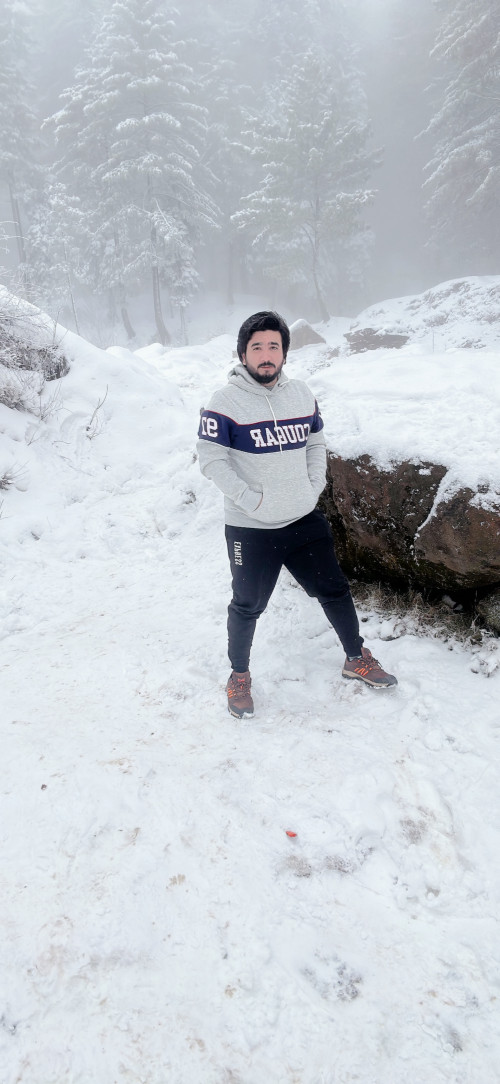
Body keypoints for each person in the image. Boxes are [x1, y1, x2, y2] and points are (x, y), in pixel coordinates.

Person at [197, 311, 397, 718]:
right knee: (247, 604)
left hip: (303, 520)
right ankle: (239, 675)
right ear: (243, 354)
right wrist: (250, 500)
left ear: (284, 353)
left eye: (274, 346)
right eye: (257, 347)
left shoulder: (302, 394)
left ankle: (355, 657)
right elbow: (211, 460)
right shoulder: (223, 402)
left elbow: (315, 442)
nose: (266, 354)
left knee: (334, 589)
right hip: (251, 527)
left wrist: (313, 485)